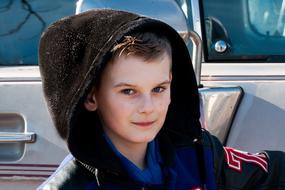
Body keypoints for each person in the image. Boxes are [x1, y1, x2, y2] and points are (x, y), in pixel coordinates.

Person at [37, 9, 285, 190]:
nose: (148, 107)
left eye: (158, 89)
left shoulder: (199, 155)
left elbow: (270, 173)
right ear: (91, 97)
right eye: (128, 91)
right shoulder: (72, 185)